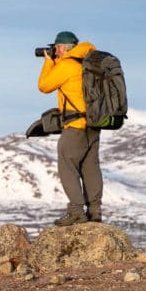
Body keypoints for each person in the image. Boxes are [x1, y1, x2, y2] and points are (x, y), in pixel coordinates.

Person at [37, 31, 103, 225]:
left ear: (64, 48)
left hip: (75, 126)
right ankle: (95, 212)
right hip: (93, 124)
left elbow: (44, 85)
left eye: (56, 48)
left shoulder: (67, 65)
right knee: (91, 168)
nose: (55, 51)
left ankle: (76, 212)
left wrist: (49, 62)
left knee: (67, 167)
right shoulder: (89, 63)